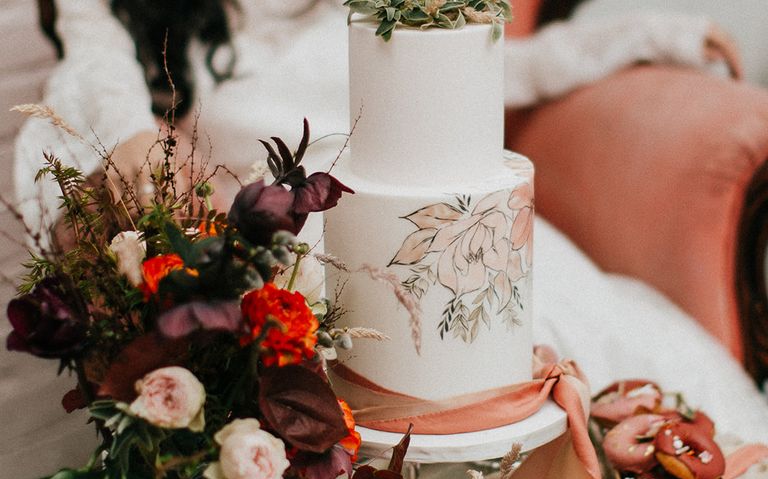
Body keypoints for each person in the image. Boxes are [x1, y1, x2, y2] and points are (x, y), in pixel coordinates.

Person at [12, 0, 767, 441]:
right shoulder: (151, 46)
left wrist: (650, 36)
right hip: (302, 238)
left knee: (570, 343)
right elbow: (93, 63)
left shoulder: (361, 25)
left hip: (434, 203)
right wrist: (136, 143)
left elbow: (492, 58)